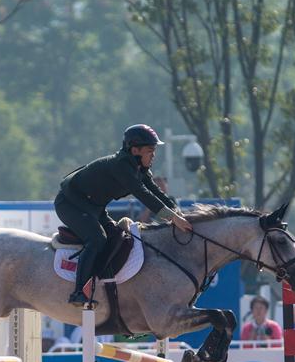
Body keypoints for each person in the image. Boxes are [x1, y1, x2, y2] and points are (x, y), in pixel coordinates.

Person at [54, 124, 193, 306]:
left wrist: (179, 212)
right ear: (135, 150)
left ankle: (102, 284)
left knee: (118, 237)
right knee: (97, 239)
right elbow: (143, 194)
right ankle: (78, 292)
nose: (154, 155)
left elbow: (156, 193)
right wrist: (173, 218)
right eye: (150, 150)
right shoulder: (121, 166)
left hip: (92, 207)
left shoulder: (138, 168)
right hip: (70, 203)